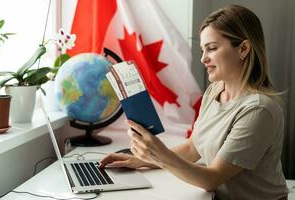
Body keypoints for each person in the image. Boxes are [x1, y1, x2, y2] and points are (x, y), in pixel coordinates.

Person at [100, 4, 288, 200]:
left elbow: (212, 179)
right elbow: (193, 147)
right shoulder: (215, 91)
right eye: (202, 50)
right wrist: (141, 160)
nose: (203, 59)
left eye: (212, 49)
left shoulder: (259, 110)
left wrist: (159, 154)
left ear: (243, 49)